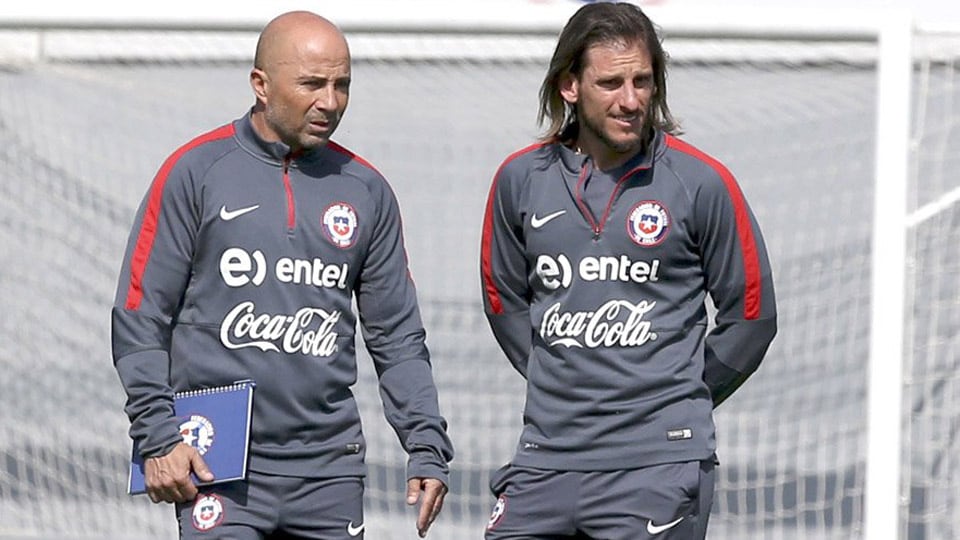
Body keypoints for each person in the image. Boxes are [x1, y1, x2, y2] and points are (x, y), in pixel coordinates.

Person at [111, 10, 453, 539]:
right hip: (216, 464)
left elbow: (397, 337)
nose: (331, 102)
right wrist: (158, 436)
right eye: (312, 84)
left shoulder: (366, 189)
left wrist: (426, 446)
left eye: (342, 85)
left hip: (328, 469)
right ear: (261, 85)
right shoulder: (196, 172)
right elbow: (140, 317)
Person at [479, 3, 777, 539]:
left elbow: (751, 316)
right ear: (570, 85)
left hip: (657, 464)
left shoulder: (701, 183)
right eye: (611, 82)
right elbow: (504, 301)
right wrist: (566, 383)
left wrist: (677, 391)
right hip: (546, 458)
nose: (631, 100)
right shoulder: (519, 180)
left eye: (643, 81)